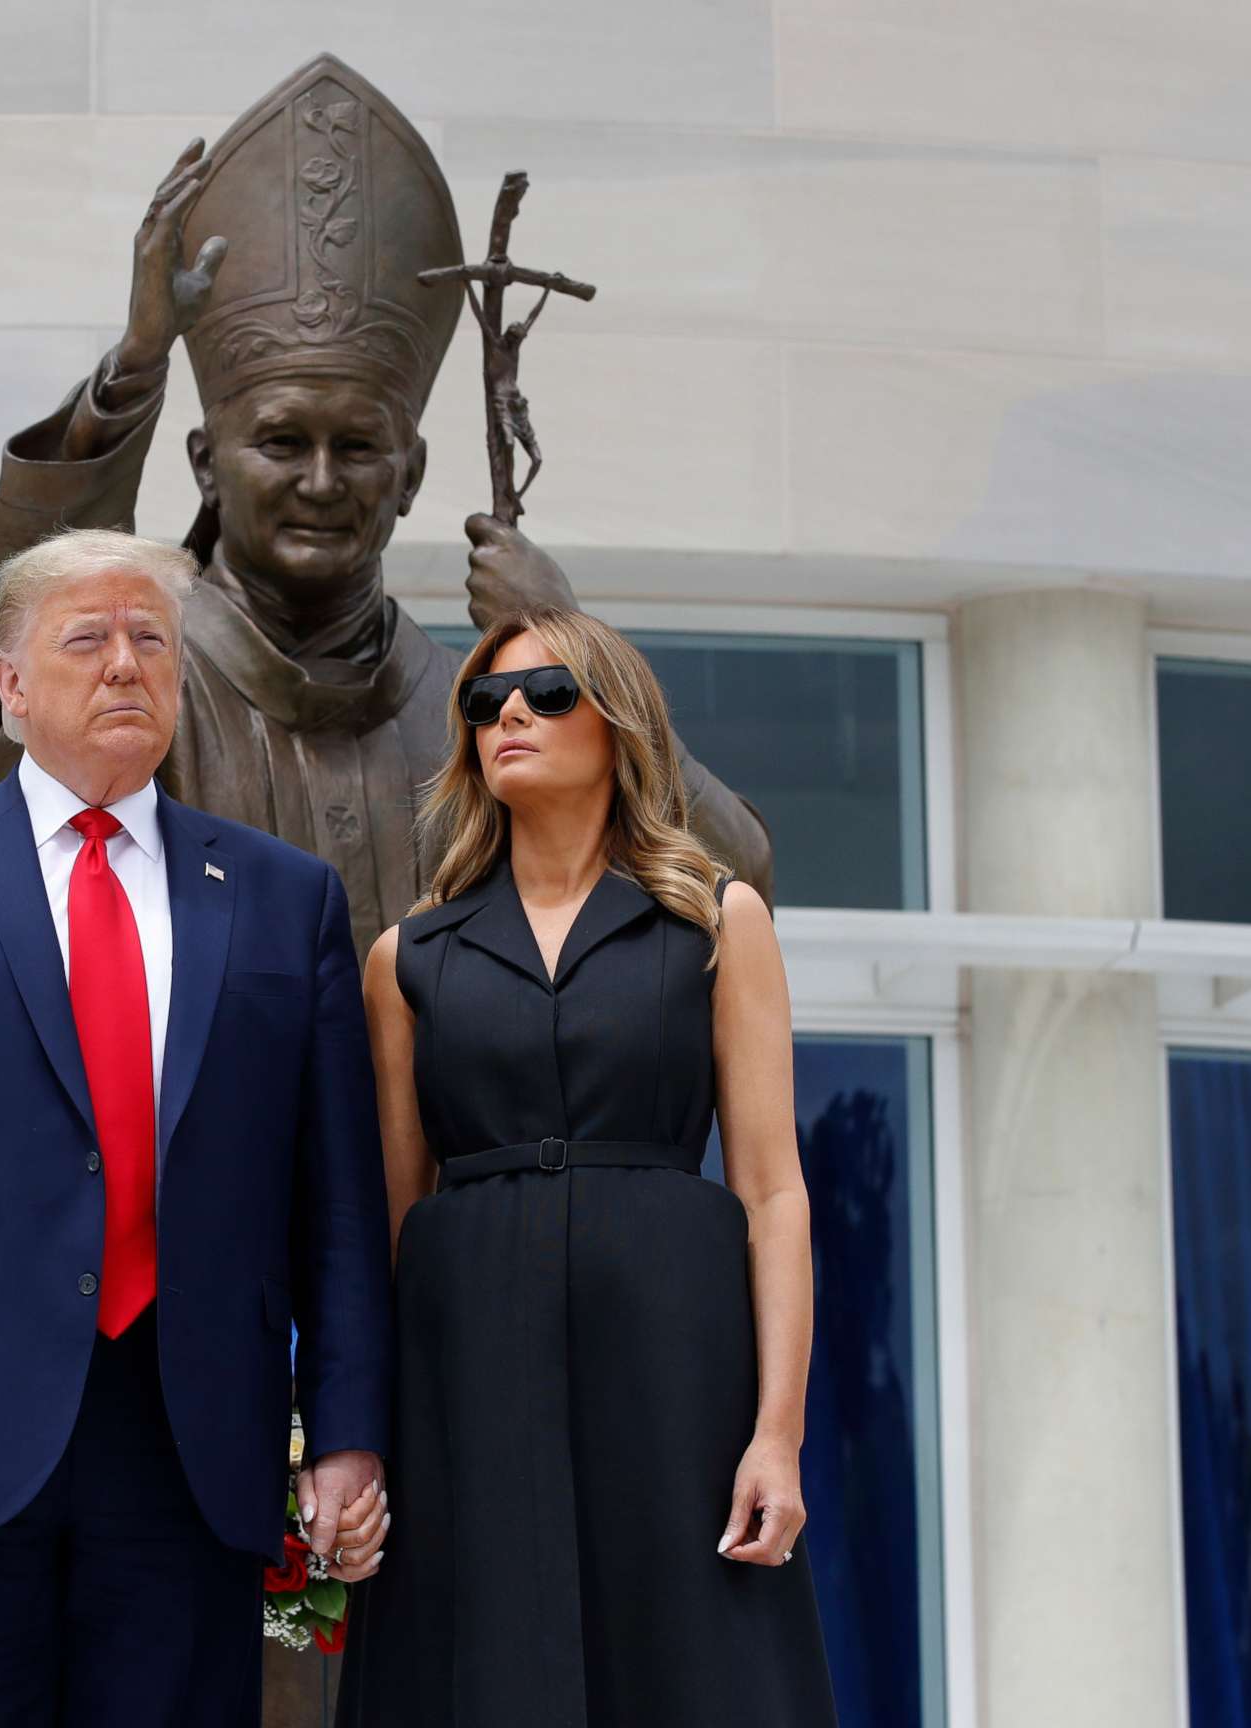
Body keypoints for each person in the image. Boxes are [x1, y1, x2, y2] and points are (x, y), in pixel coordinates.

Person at [0, 52, 775, 959]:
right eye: (283, 443)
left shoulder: (484, 715)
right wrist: (136, 368)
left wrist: (570, 650)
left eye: (359, 448)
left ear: (408, 475)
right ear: (207, 463)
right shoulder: (138, 685)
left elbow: (736, 885)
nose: (322, 484)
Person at [0, 527, 394, 1726]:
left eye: (151, 639)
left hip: (191, 1439)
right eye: (87, 639)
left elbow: (339, 1207)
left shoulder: (280, 896)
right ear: (10, 683)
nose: (124, 666)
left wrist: (349, 1432)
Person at [333, 606, 841, 1726]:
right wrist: (354, 1432)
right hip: (464, 1369)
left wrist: (777, 1433)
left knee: (687, 1666)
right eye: (485, 702)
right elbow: (393, 1216)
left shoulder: (716, 922)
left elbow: (772, 1187)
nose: (510, 713)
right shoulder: (407, 959)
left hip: (674, 1359)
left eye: (549, 692)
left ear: (618, 722)